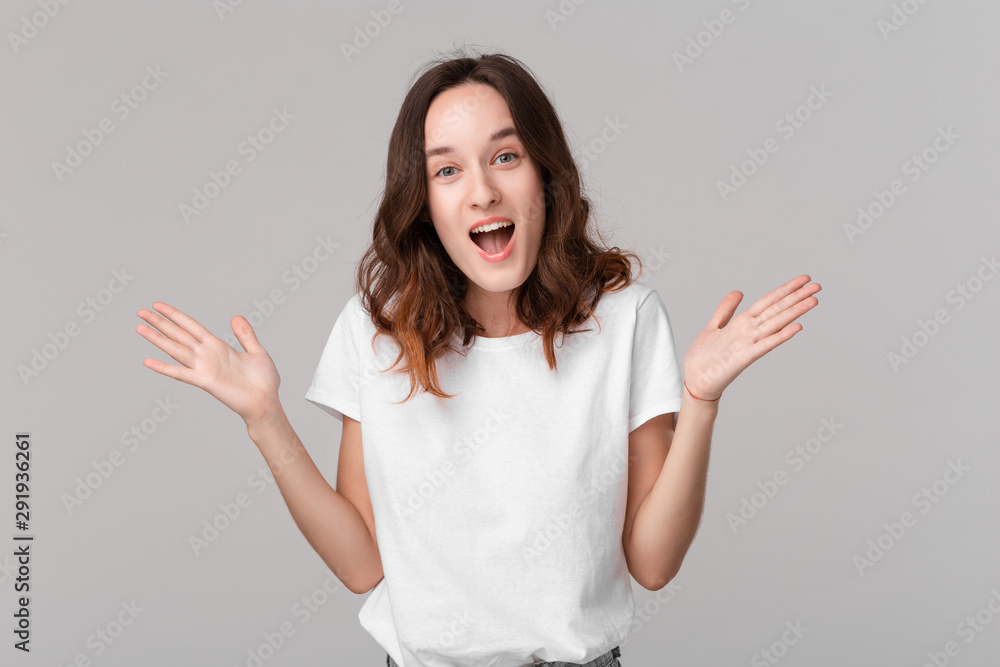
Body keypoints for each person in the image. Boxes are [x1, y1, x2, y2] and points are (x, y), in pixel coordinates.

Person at [135, 49, 820, 667]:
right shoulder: (377, 333)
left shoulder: (624, 320)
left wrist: (699, 401)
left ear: (546, 177)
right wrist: (263, 418)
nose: (482, 192)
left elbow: (654, 562)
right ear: (425, 203)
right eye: (447, 169)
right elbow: (360, 564)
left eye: (506, 156)